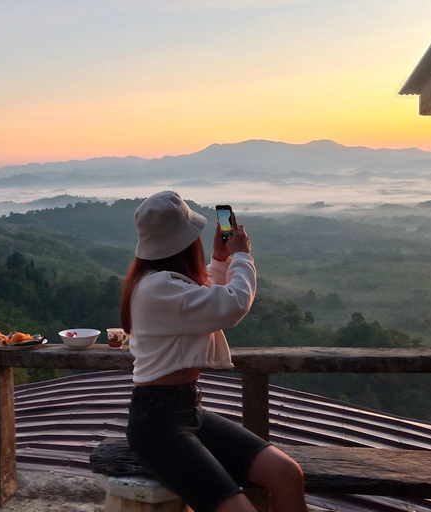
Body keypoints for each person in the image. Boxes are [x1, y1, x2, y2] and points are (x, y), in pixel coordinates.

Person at [121, 191, 306, 512]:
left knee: (287, 474)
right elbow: (231, 304)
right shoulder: (157, 287)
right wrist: (243, 257)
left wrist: (221, 261)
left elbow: (201, 294)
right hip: (158, 425)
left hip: (189, 409)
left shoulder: (163, 281)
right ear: (185, 241)